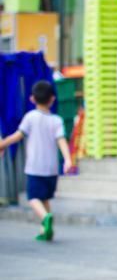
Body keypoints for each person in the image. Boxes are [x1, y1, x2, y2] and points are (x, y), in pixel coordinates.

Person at [0, 80, 72, 241]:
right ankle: (45, 229)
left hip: (35, 167)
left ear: (32, 99)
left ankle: (45, 219)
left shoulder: (30, 117)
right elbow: (61, 140)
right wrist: (67, 160)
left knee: (33, 198)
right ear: (52, 99)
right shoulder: (57, 120)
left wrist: (2, 145)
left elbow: (17, 136)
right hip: (52, 169)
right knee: (45, 198)